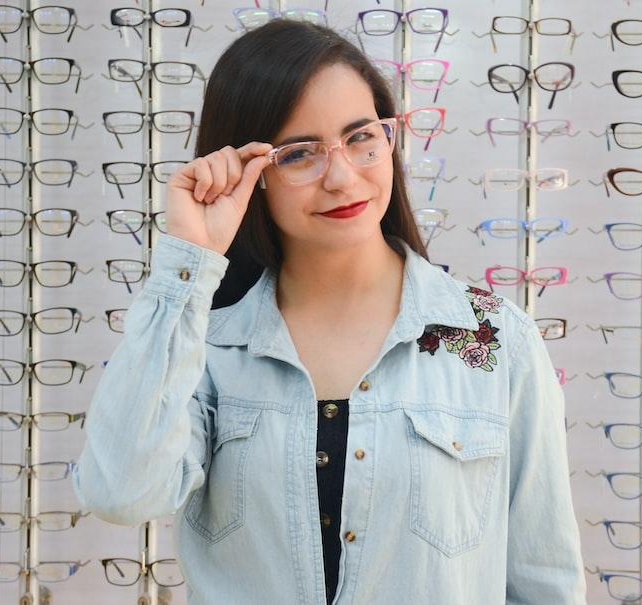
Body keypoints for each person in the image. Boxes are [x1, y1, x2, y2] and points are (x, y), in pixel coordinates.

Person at [73, 19, 586, 605]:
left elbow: (544, 582)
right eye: (299, 154)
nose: (342, 178)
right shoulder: (209, 347)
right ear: (250, 173)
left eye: (361, 137)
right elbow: (120, 492)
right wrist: (190, 257)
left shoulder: (494, 340)